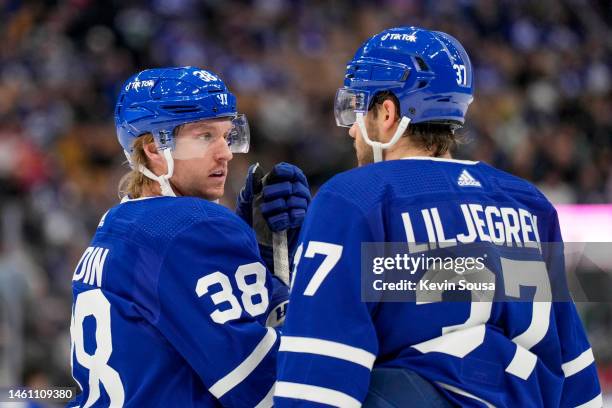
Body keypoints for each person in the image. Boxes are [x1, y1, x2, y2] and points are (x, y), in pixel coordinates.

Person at [275, 27, 602, 407]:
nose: (351, 128)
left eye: (356, 108)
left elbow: (316, 381)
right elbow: (576, 375)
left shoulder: (354, 197)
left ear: (387, 112)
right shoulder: (527, 203)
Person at [68, 66, 310, 407]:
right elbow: (269, 388)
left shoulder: (116, 223)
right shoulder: (191, 226)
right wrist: (307, 261)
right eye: (204, 136)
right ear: (153, 149)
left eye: (227, 135)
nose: (225, 152)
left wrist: (259, 263)